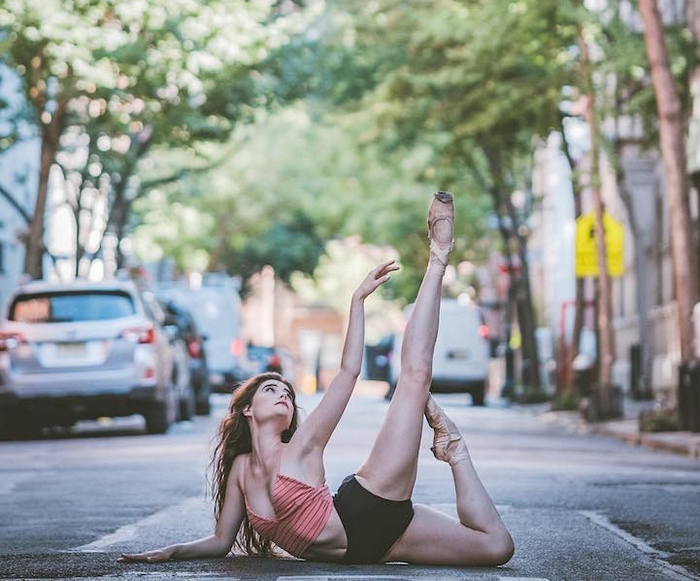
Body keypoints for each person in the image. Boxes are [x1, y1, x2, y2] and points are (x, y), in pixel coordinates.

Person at [119, 192, 514, 567]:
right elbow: (220, 542)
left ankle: (439, 257)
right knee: (497, 547)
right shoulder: (241, 469)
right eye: (270, 390)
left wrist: (357, 301)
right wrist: (169, 552)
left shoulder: (303, 445)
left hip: (370, 503)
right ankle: (454, 448)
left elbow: (347, 372)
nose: (283, 397)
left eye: (287, 393)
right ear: (246, 411)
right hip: (374, 550)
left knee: (414, 379)